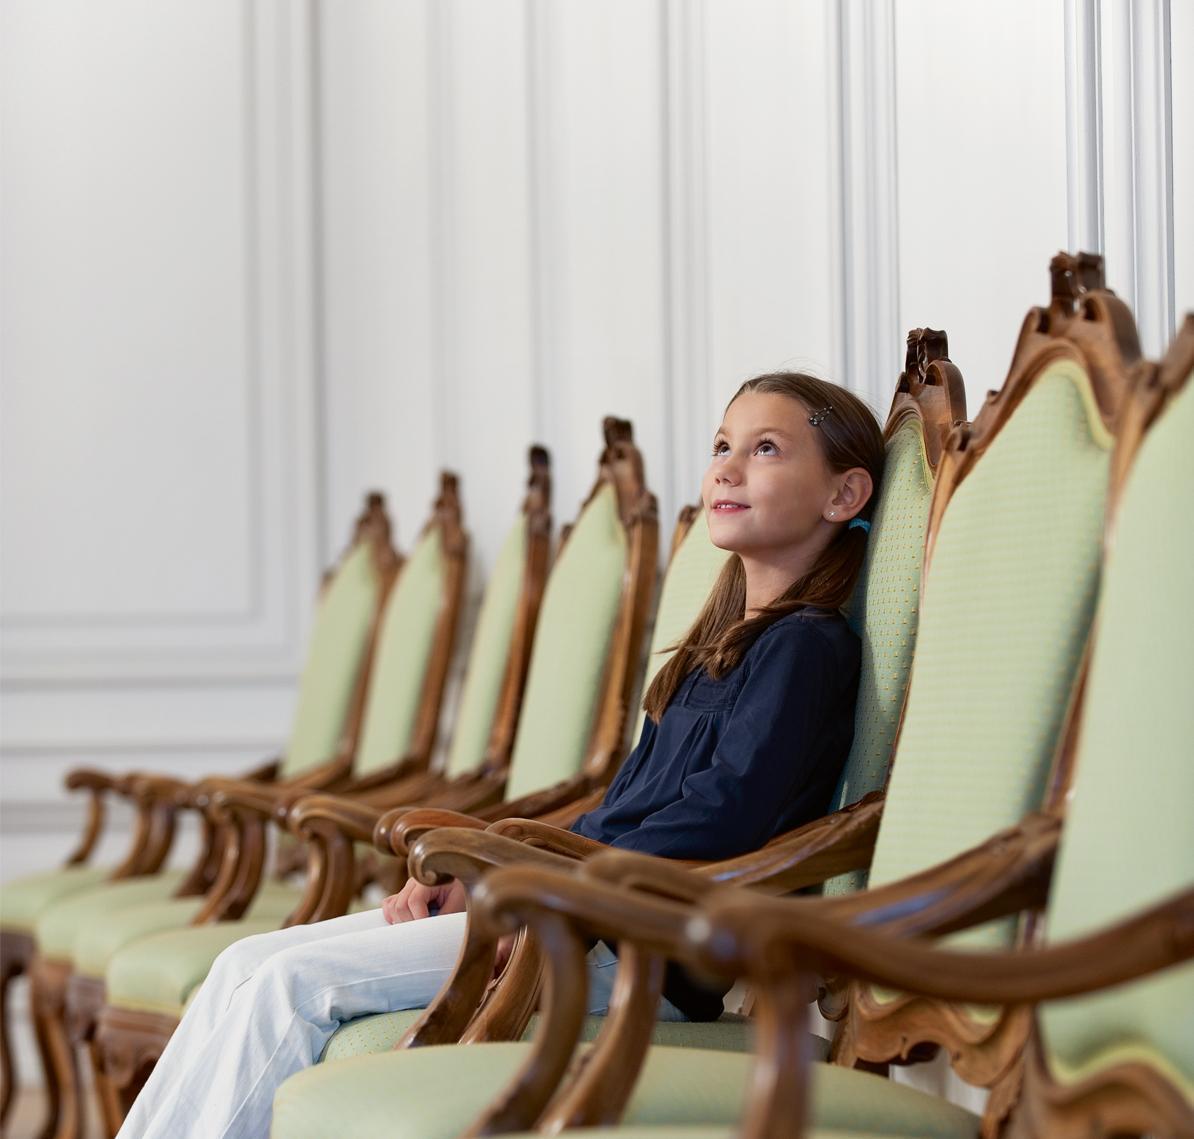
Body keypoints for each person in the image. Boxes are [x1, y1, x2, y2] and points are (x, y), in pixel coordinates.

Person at [116, 373, 884, 1138]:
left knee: (287, 987)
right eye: (722, 444)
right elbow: (614, 812)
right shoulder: (710, 653)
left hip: (632, 946)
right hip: (574, 913)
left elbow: (723, 819)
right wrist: (487, 874)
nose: (726, 465)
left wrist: (536, 889)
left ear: (843, 495)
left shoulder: (807, 649)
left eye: (766, 448)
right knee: (241, 965)